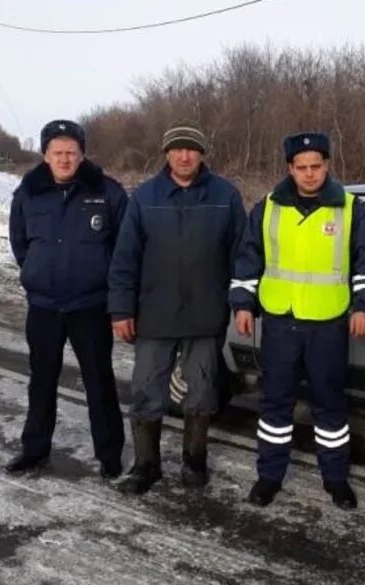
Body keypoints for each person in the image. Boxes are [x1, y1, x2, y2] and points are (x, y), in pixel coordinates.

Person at [230, 132, 365, 510]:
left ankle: (335, 479)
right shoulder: (267, 208)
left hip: (328, 324)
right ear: (290, 169)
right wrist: (243, 304)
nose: (310, 174)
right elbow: (249, 259)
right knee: (275, 404)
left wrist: (364, 306)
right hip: (280, 322)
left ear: (327, 166)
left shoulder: (350, 207)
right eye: (302, 168)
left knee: (329, 404)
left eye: (317, 166)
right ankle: (269, 476)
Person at [108, 122, 246, 494]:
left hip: (205, 314)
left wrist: (243, 302)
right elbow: (125, 259)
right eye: (177, 149)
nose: (185, 156)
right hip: (154, 314)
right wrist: (121, 310)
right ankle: (145, 466)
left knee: (201, 391)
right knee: (147, 390)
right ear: (166, 153)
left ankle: (194, 462)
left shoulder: (225, 196)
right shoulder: (145, 197)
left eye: (192, 149)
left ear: (202, 154)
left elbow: (242, 255)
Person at [5, 119, 128, 479]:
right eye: (57, 153)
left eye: (70, 152)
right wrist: (38, 273)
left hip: (90, 306)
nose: (64, 159)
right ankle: (34, 450)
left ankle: (109, 456)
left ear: (82, 154)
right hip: (44, 307)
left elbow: (123, 249)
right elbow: (20, 244)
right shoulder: (28, 193)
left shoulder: (106, 192)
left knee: (99, 382)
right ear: (45, 155)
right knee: (41, 380)